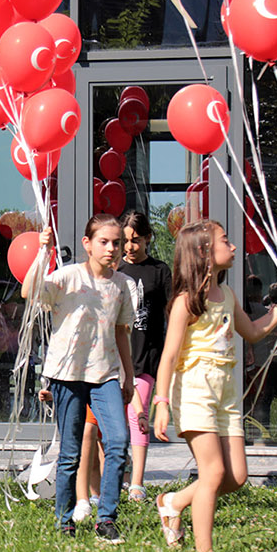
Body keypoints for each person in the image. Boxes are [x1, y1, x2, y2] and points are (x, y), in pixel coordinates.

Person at [153, 220, 277, 552]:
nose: (233, 247)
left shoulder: (229, 295)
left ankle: (173, 502)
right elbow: (170, 356)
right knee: (214, 473)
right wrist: (161, 403)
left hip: (226, 391)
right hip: (195, 389)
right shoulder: (186, 301)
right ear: (205, 253)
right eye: (226, 240)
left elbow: (252, 331)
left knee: (236, 477)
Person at [20, 214, 140, 543]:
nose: (112, 249)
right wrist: (43, 254)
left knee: (118, 442)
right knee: (71, 451)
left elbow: (120, 332)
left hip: (105, 376)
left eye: (117, 243)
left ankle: (107, 517)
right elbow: (30, 292)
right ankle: (64, 519)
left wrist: (128, 376)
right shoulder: (68, 277)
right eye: (104, 242)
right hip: (67, 375)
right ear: (87, 244)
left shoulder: (122, 285)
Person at [115, 209, 171, 501]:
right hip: (117, 356)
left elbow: (170, 312)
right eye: (125, 241)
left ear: (148, 238)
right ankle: (121, 472)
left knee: (140, 414)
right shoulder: (115, 271)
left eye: (135, 240)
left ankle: (137, 482)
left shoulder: (160, 271)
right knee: (118, 419)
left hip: (147, 354)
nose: (129, 247)